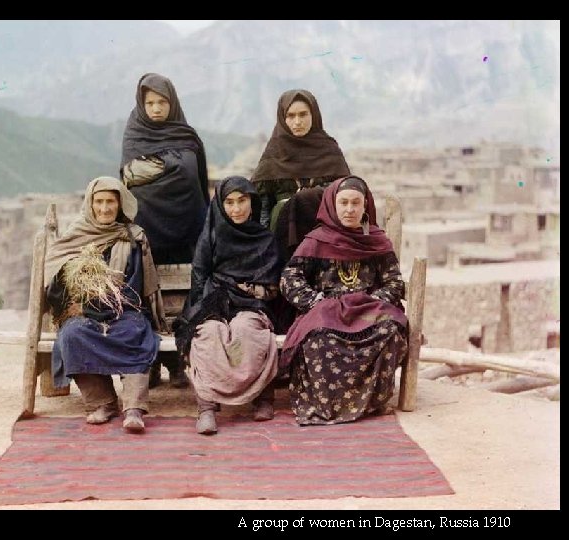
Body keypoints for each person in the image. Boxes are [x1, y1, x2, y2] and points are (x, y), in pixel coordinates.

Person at [279, 176, 408, 425]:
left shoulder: (377, 241)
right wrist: (314, 301)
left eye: (356, 203)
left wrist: (374, 300)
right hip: (326, 310)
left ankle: (371, 403)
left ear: (365, 206)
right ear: (332, 206)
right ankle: (327, 406)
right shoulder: (316, 240)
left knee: (389, 330)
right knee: (318, 338)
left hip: (368, 309)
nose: (349, 210)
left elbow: (394, 282)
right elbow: (289, 278)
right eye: (344, 203)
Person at [44, 176, 166, 433]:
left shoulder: (132, 238)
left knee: (135, 332)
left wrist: (108, 301)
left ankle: (133, 407)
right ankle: (102, 402)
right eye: (98, 201)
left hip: (124, 310)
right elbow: (55, 286)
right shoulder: (75, 237)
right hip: (82, 312)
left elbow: (135, 288)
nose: (104, 208)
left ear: (120, 204)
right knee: (72, 334)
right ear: (90, 204)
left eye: (110, 201)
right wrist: (76, 291)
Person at [174, 176, 283, 435]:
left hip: (253, 303)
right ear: (221, 205)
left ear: (252, 202)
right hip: (215, 299)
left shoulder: (265, 239)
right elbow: (199, 278)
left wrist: (250, 292)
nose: (236, 209)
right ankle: (207, 406)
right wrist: (203, 310)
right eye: (230, 202)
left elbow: (271, 283)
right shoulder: (211, 236)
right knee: (208, 334)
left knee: (248, 331)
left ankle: (262, 398)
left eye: (242, 201)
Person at [121, 72, 209, 389]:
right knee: (143, 294)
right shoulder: (134, 133)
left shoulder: (186, 134)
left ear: (172, 104)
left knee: (186, 297)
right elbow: (130, 175)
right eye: (150, 103)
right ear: (142, 105)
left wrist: (158, 168)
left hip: (187, 226)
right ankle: (150, 364)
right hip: (148, 231)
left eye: (162, 102)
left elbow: (191, 174)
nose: (156, 109)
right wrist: (174, 164)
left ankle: (178, 362)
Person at [251, 88, 351, 261]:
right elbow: (263, 207)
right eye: (290, 116)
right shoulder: (274, 153)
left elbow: (343, 194)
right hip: (281, 238)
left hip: (324, 236)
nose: (297, 121)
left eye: (303, 114)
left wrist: (307, 198)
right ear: (283, 118)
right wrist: (264, 246)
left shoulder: (329, 150)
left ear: (314, 115)